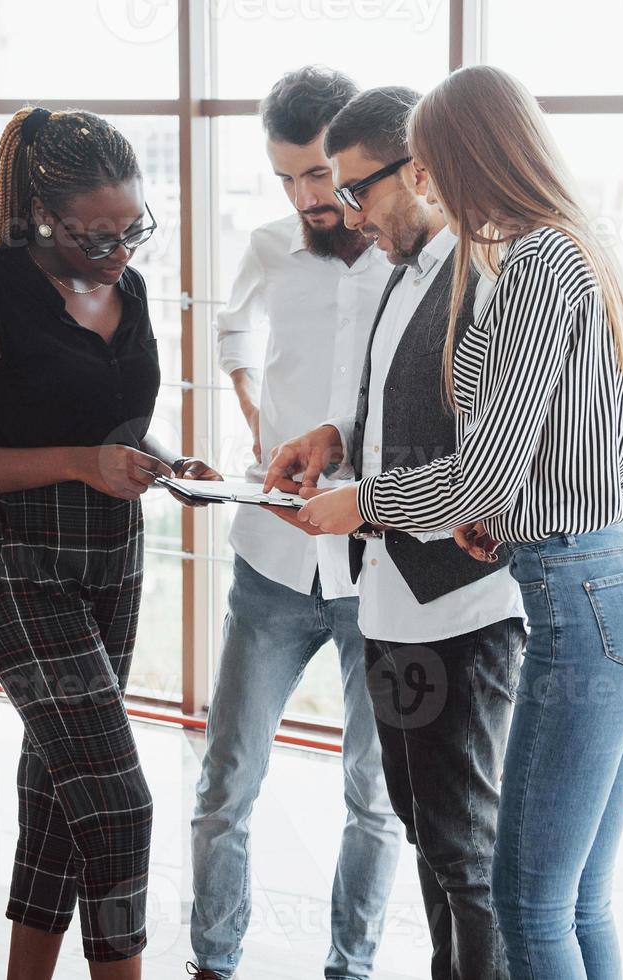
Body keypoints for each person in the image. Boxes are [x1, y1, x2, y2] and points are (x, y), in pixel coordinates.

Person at [293, 66, 623, 980]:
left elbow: (478, 475)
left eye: (427, 167)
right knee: (574, 900)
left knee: (526, 905)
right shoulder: (578, 247)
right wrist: (529, 509)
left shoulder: (530, 265)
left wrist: (369, 504)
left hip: (585, 598)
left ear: (465, 158)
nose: (424, 186)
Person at [0, 105, 221, 979]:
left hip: (112, 558)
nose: (119, 250)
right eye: (97, 235)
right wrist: (80, 463)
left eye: (133, 229)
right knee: (118, 803)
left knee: (59, 790)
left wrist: (165, 458)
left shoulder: (134, 289)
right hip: (15, 559)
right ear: (44, 218)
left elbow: (116, 423)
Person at [264, 85, 527, 980]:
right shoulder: (402, 272)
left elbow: (495, 465)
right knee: (423, 827)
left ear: (416, 172)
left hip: (465, 610)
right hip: (393, 608)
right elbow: (402, 411)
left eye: (356, 190)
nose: (344, 212)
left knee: (467, 847)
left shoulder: (496, 279)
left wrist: (365, 502)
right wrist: (335, 438)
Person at [187, 67, 402, 980]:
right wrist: (252, 419)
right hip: (271, 560)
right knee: (225, 786)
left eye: (317, 175)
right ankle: (211, 963)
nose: (304, 197)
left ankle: (348, 969)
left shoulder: (413, 256)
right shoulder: (272, 245)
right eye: (284, 178)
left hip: (385, 573)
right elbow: (231, 330)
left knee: (374, 798)